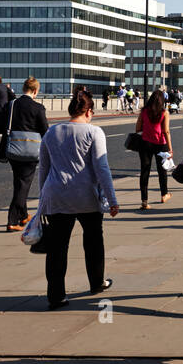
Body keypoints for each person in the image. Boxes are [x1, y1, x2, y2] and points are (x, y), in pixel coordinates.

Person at [37, 87, 119, 310]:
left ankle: (56, 296)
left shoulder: (51, 133)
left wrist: (41, 201)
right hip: (86, 197)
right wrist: (112, 199)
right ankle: (96, 283)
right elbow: (102, 168)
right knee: (93, 241)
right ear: (89, 111)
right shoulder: (94, 132)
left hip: (56, 196)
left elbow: (43, 169)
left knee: (57, 248)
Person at [0, 77, 49, 232]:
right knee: (23, 185)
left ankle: (23, 215)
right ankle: (12, 221)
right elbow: (45, 131)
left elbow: (0, 124)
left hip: (13, 149)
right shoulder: (38, 108)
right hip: (30, 151)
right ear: (35, 91)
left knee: (19, 182)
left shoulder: (11, 105)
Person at [135, 89, 172, 209]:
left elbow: (137, 128)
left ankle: (144, 201)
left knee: (144, 171)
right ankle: (164, 194)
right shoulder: (164, 113)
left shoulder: (144, 111)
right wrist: (170, 149)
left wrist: (148, 128)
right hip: (161, 144)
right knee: (162, 171)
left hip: (145, 143)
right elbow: (166, 131)